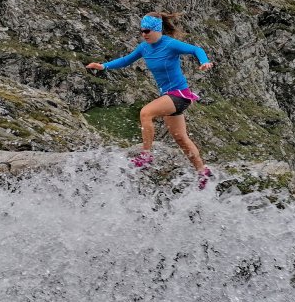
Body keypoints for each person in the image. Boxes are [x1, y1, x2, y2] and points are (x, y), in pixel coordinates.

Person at [86, 12, 214, 190]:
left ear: (157, 30)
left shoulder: (169, 44)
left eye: (147, 31)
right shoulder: (144, 47)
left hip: (179, 94)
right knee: (180, 138)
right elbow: (125, 60)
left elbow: (195, 49)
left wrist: (204, 61)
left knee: (145, 113)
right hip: (168, 97)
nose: (144, 34)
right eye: (141, 31)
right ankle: (202, 171)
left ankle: (146, 154)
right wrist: (104, 66)